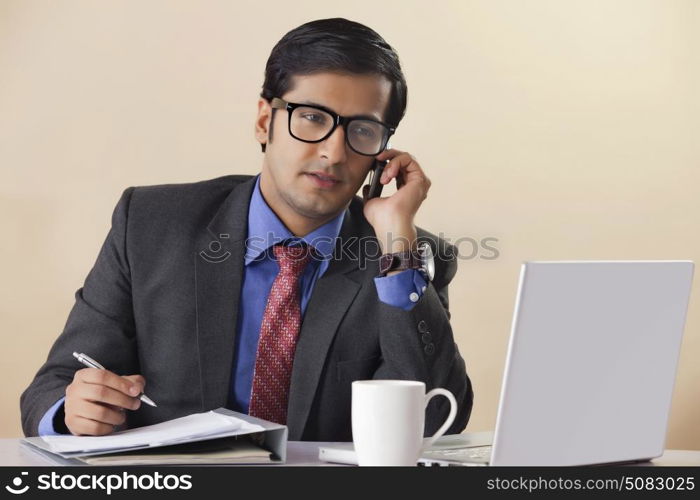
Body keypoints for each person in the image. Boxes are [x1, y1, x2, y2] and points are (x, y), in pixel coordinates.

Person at [21, 18, 474, 441]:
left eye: (362, 130)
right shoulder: (149, 224)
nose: (334, 153)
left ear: (383, 149)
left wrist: (396, 239)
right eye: (313, 118)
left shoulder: (410, 257)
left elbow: (436, 421)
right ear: (265, 120)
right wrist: (70, 410)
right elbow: (55, 383)